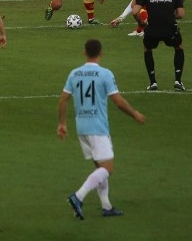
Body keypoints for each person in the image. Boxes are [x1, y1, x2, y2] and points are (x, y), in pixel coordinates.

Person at [57, 39, 146, 220]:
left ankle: (107, 206)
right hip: (97, 127)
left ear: (84, 52)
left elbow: (63, 99)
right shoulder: (105, 74)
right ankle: (78, 196)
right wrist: (134, 113)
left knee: (99, 167)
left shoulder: (75, 73)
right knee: (107, 168)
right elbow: (118, 102)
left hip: (81, 127)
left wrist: (62, 124)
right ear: (101, 53)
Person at [131, 0, 186, 91]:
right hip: (170, 29)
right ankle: (178, 81)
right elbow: (181, 14)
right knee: (179, 46)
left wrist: (141, 23)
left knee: (147, 49)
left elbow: (135, 12)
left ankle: (153, 83)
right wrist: (169, 16)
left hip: (152, 30)